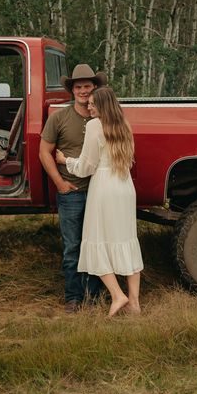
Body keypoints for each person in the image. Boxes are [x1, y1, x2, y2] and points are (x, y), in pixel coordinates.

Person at [55, 87, 143, 317]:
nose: (89, 106)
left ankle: (117, 295)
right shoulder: (124, 124)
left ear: (103, 105)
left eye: (93, 104)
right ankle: (134, 302)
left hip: (104, 187)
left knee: (96, 240)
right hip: (124, 186)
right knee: (126, 240)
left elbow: (86, 167)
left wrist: (66, 160)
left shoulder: (94, 125)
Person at [39, 64, 107, 313]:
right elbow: (44, 152)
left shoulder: (103, 117)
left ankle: (94, 297)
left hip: (99, 193)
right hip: (72, 192)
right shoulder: (59, 118)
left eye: (87, 86)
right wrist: (59, 182)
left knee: (97, 244)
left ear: (95, 88)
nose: (83, 91)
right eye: (78, 87)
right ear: (72, 90)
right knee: (73, 247)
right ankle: (73, 298)